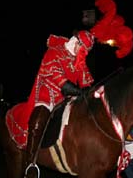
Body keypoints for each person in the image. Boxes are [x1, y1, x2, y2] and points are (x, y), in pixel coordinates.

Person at [24, 30, 95, 177]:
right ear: (76, 42)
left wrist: (92, 91)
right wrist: (76, 91)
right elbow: (56, 76)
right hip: (48, 92)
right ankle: (30, 163)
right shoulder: (54, 52)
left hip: (68, 97)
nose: (85, 53)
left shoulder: (79, 59)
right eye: (84, 49)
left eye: (87, 51)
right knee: (38, 120)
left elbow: (86, 81)